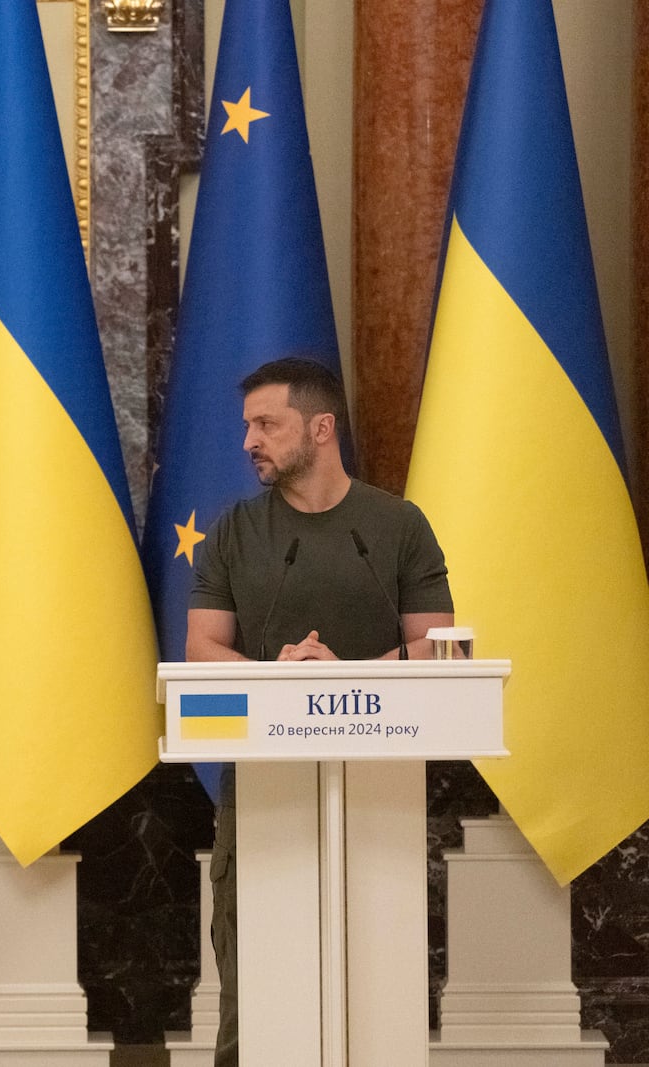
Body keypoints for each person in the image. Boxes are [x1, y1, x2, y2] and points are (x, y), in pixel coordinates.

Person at [184, 357, 454, 1066]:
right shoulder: (234, 531)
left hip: (380, 786)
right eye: (248, 425)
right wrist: (276, 674)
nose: (250, 440)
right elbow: (203, 648)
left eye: (267, 423)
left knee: (377, 960)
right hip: (261, 789)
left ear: (321, 427)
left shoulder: (397, 525)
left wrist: (348, 675)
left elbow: (438, 643)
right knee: (253, 969)